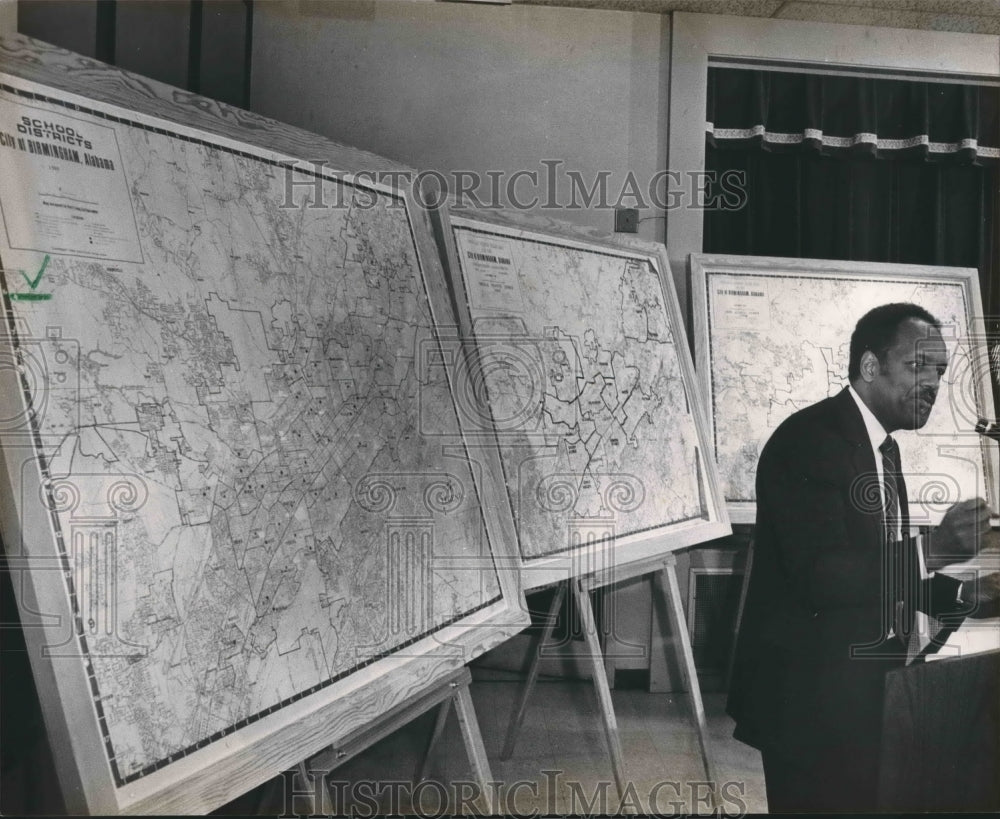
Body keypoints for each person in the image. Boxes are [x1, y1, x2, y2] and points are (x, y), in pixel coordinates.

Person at [727, 302, 1000, 812]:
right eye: (918, 366)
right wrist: (935, 549)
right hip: (808, 704)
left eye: (939, 371)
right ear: (870, 366)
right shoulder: (808, 441)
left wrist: (962, 595)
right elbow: (821, 577)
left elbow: (878, 567)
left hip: (865, 694)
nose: (933, 385)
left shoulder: (882, 448)